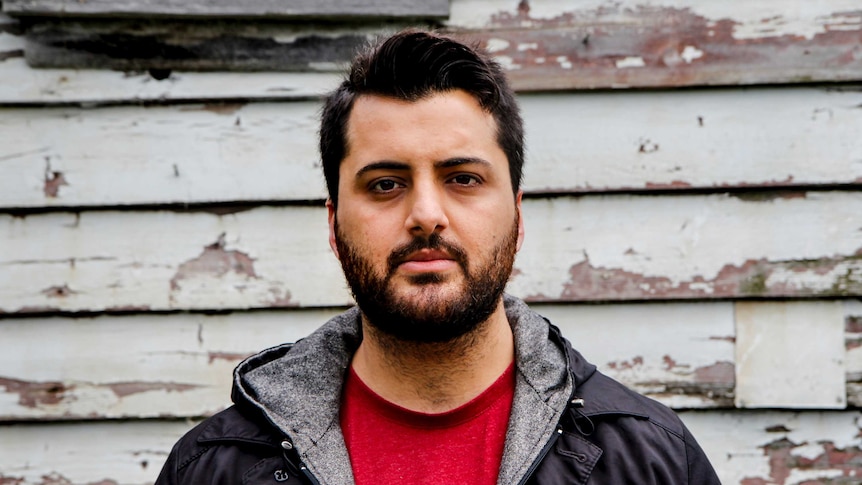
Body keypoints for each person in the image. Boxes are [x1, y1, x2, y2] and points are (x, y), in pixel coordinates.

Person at [156, 29, 720, 485]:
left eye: (463, 178)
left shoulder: (650, 462)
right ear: (333, 224)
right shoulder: (212, 469)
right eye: (384, 185)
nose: (426, 214)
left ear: (517, 216)